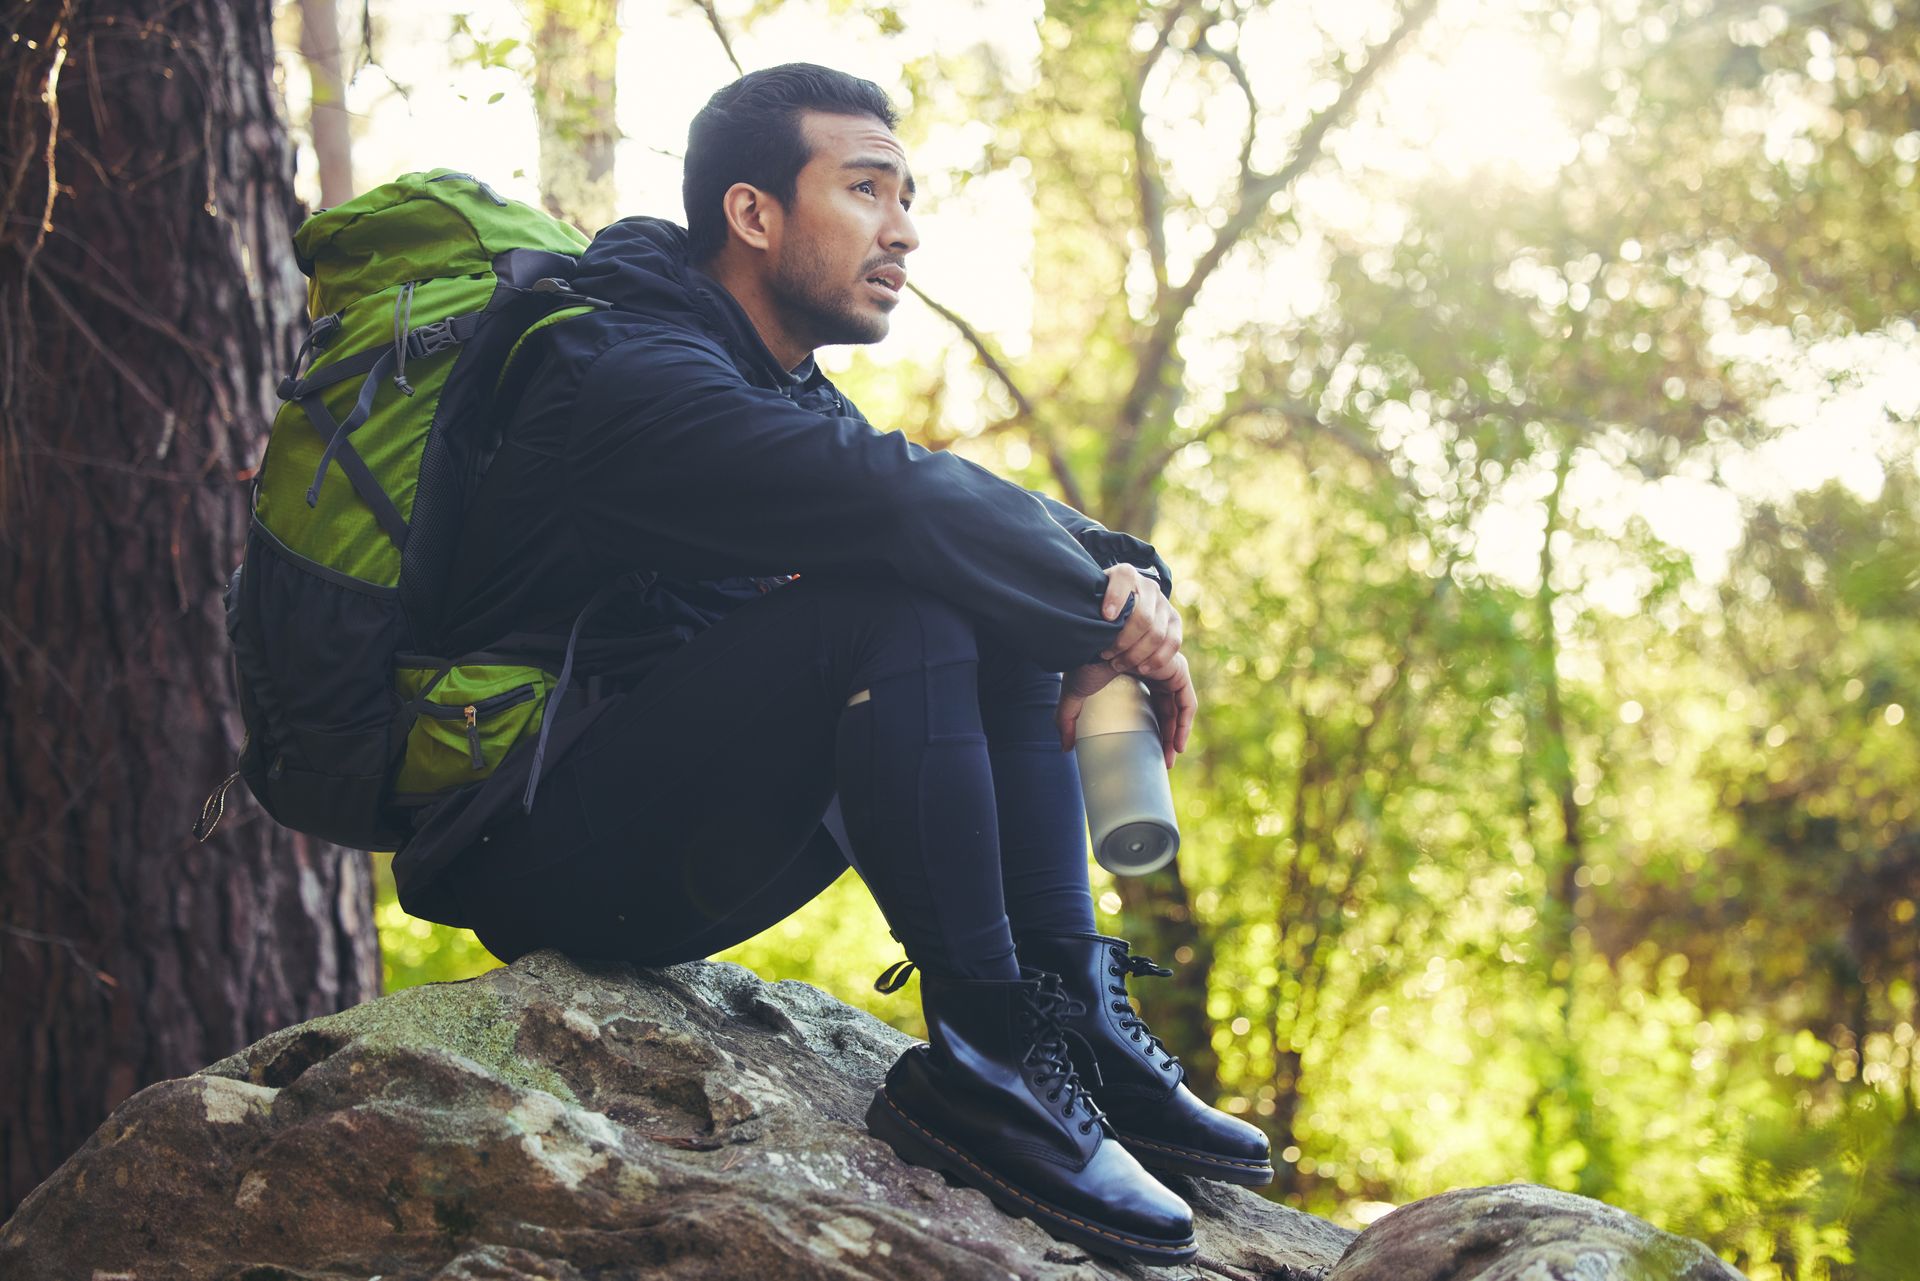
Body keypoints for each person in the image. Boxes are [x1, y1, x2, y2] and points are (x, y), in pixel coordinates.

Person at [390, 62, 1270, 1265]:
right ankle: (983, 1058)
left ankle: (1061, 1006)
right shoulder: (623, 376)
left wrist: (1129, 582)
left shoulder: (766, 381)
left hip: (667, 815)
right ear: (753, 215)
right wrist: (1098, 612)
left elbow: (957, 506)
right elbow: (897, 504)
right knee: (899, 597)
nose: (903, 228)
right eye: (866, 190)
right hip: (535, 843)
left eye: (906, 196)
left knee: (975, 584)